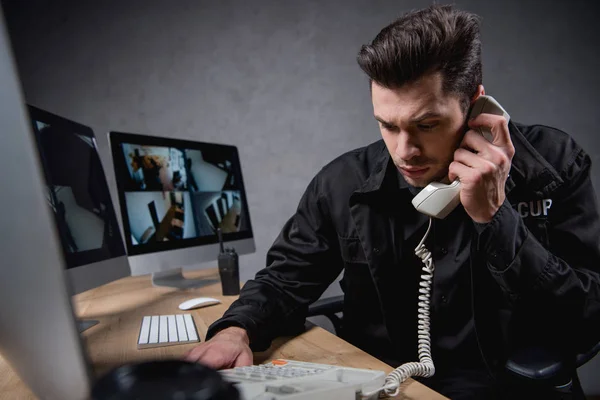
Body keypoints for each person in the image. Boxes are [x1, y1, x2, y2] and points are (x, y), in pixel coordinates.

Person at [184, 4, 600, 399]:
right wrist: (234, 330)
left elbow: (586, 320)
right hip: (386, 386)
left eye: (427, 124)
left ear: (475, 105)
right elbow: (283, 280)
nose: (405, 151)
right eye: (387, 125)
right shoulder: (342, 183)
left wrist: (495, 216)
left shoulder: (554, 165)